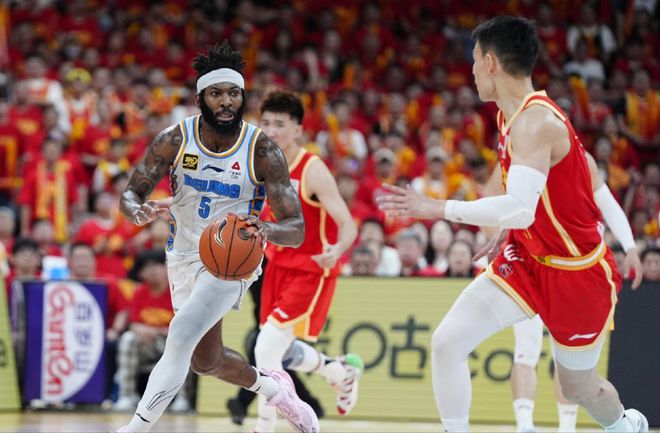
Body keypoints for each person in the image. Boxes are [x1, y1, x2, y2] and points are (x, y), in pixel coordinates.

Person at [377, 16, 648, 433]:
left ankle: (624, 427)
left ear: (490, 62)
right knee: (447, 343)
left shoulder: (536, 122)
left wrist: (437, 207)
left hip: (576, 273)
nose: (471, 71)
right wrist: (508, 228)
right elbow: (531, 202)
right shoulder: (510, 117)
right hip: (527, 259)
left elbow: (521, 208)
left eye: (473, 60)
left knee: (579, 389)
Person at [116, 42, 318, 433]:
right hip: (182, 256)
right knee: (205, 361)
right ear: (200, 99)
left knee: (179, 336)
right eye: (216, 94)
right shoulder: (175, 139)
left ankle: (134, 429)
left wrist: (265, 229)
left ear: (242, 98)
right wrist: (136, 210)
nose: (226, 101)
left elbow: (296, 228)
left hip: (233, 259)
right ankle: (275, 390)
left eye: (233, 93)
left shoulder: (262, 150)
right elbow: (130, 193)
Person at [484, 151, 644, 433]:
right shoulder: (516, 155)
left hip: (578, 278)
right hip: (530, 270)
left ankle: (571, 427)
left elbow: (608, 204)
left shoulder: (579, 161)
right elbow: (490, 201)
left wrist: (630, 247)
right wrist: (500, 239)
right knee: (526, 349)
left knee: (574, 368)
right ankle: (525, 425)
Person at [254, 90, 362, 433]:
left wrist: (338, 250)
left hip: (311, 268)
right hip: (277, 265)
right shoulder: (262, 165)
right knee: (279, 351)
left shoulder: (313, 169)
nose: (270, 130)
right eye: (265, 122)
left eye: (279, 124)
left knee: (265, 348)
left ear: (297, 130)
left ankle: (264, 427)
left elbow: (348, 223)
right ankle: (338, 371)